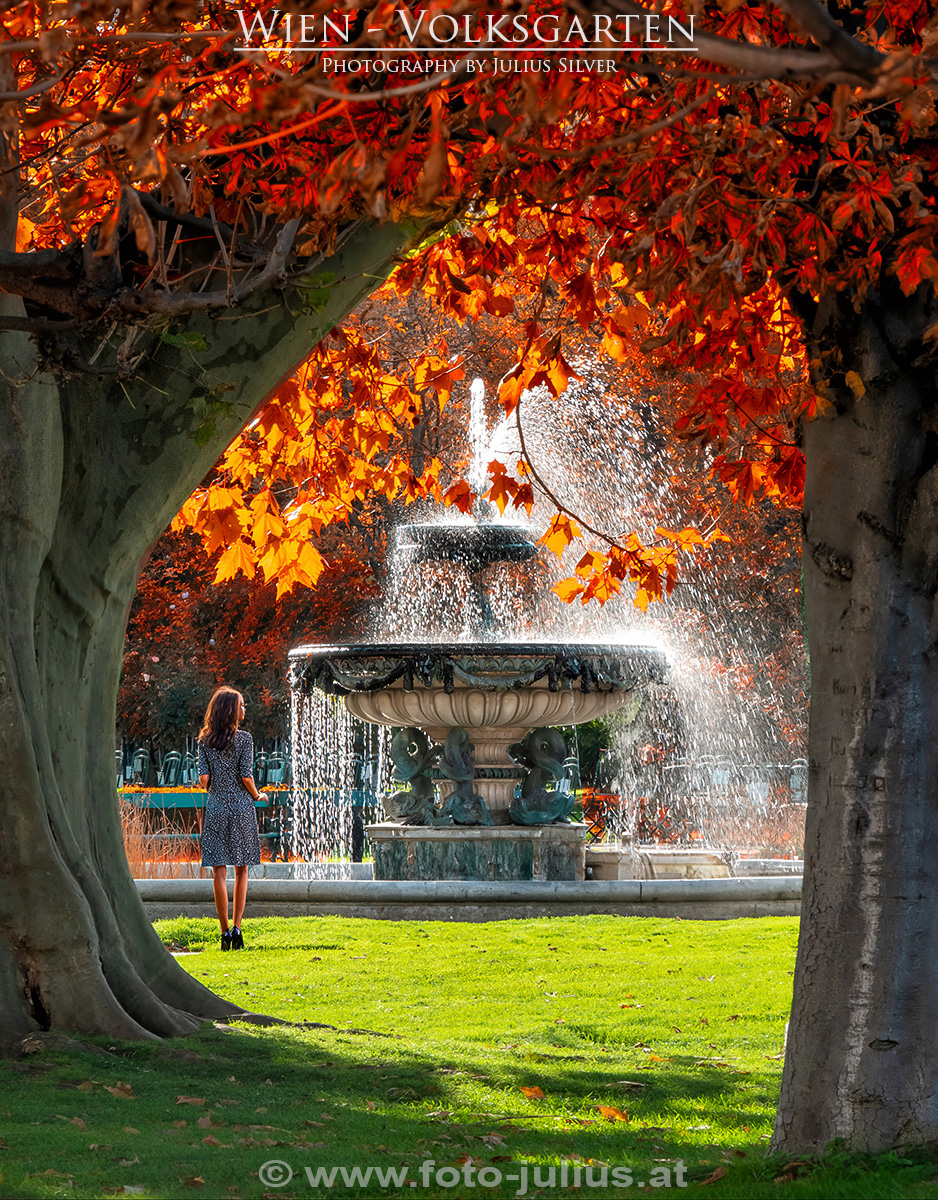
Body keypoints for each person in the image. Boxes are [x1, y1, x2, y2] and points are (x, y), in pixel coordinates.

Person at [197, 686, 267, 951]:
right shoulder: (245, 739)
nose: (244, 709)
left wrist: (216, 786)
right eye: (242, 704)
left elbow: (204, 779)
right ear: (231, 709)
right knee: (241, 870)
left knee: (218, 870)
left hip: (215, 806)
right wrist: (257, 795)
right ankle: (237, 928)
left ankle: (223, 931)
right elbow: (246, 776)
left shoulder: (204, 741)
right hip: (240, 807)